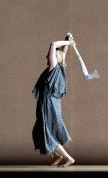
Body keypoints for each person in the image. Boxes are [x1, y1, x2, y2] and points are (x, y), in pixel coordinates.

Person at [32, 33, 76, 167]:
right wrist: (68, 39)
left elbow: (53, 44)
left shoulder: (53, 66)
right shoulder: (61, 67)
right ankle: (57, 155)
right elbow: (62, 52)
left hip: (47, 102)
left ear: (54, 58)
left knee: (46, 130)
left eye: (49, 55)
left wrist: (69, 43)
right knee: (40, 129)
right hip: (53, 103)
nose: (47, 56)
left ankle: (68, 158)